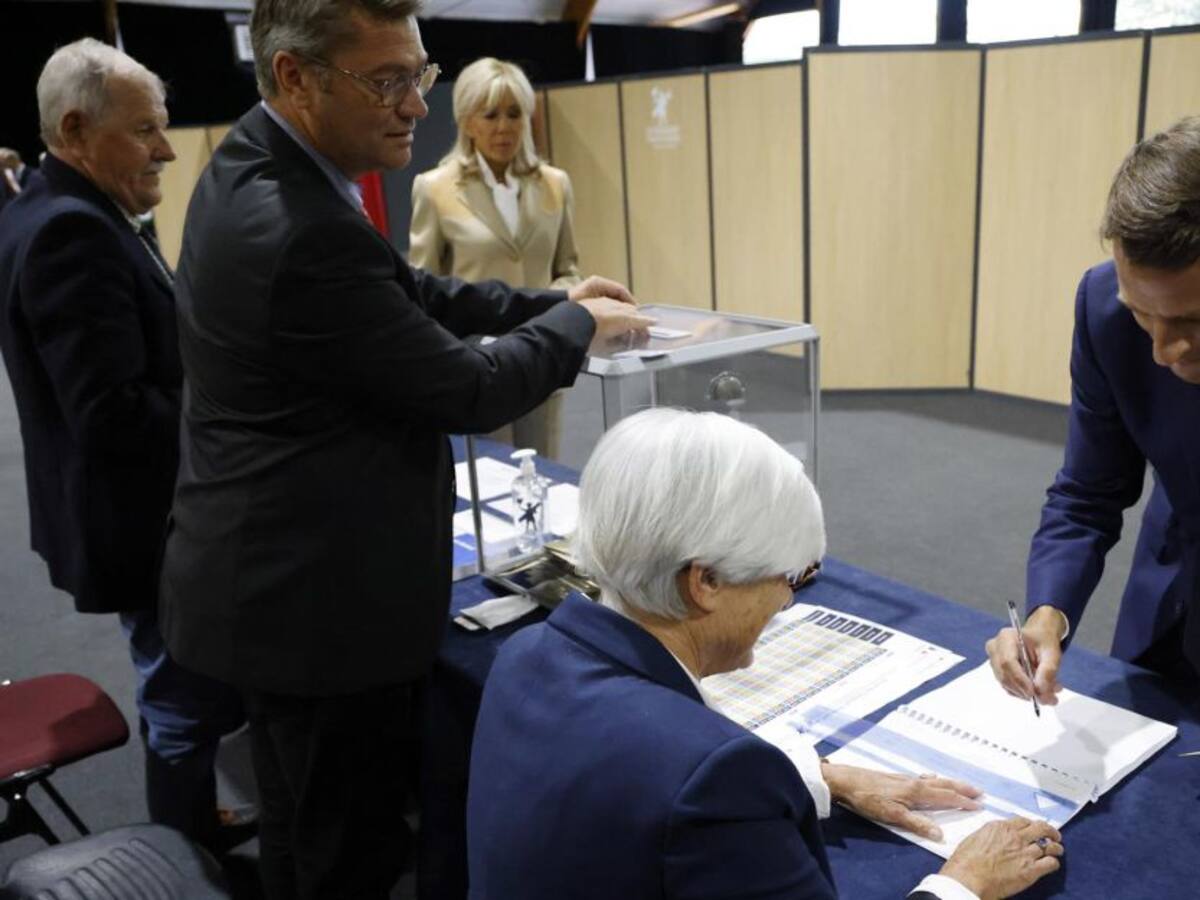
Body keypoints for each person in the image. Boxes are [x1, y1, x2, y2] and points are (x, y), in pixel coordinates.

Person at [156, 1, 652, 897]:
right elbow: (463, 389)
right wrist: (577, 326)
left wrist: (544, 303)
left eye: (417, 75)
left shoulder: (260, 160)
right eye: (386, 81)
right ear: (294, 79)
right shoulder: (297, 225)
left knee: (303, 831)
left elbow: (402, 291)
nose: (415, 106)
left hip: (271, 582)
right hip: (316, 607)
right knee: (345, 851)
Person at [468, 408, 1064, 900]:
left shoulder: (524, 654)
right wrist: (963, 884)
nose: (787, 601)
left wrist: (822, 777)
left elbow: (628, 796)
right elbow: (681, 785)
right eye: (791, 578)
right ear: (706, 583)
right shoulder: (715, 778)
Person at [0, 39, 246, 848]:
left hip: (118, 520)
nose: (167, 149)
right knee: (179, 704)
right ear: (75, 127)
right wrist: (232, 406)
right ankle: (188, 859)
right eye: (145, 130)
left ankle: (192, 824)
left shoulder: (52, 207)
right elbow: (110, 414)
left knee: (173, 690)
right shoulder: (73, 230)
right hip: (143, 530)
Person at [986, 116, 1200, 705]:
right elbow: (1088, 492)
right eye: (1142, 314)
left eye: (1191, 322)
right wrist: (1047, 614)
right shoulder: (1103, 308)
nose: (1162, 350)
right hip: (1168, 611)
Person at [409, 56, 581, 458]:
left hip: (543, 355)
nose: (503, 126)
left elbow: (568, 269)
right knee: (490, 476)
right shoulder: (434, 189)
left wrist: (555, 307)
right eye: (489, 114)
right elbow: (422, 289)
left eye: (513, 113)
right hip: (477, 367)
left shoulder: (556, 184)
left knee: (544, 470)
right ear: (467, 120)